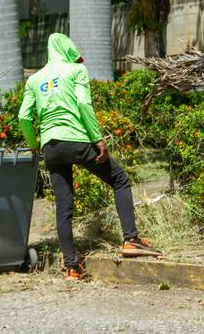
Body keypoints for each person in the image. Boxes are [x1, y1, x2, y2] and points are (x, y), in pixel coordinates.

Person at [18, 33, 162, 281]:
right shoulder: (76, 71)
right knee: (120, 180)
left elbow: (23, 117)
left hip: (51, 147)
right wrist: (98, 139)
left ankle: (72, 267)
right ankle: (131, 239)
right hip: (77, 141)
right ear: (68, 50)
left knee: (64, 208)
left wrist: (34, 145)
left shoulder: (35, 79)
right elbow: (84, 104)